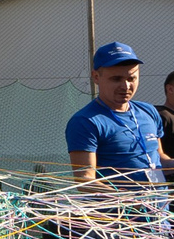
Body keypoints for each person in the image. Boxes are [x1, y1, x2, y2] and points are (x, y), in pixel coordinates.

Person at [63, 43, 164, 188]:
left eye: (131, 79)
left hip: (159, 201)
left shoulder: (148, 111)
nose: (125, 86)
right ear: (96, 77)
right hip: (119, 203)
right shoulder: (85, 121)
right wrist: (120, 197)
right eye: (116, 79)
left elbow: (159, 156)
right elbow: (84, 181)